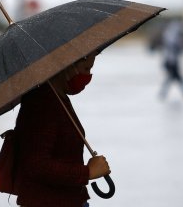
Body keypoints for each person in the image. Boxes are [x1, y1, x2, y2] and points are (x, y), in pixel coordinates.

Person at [13, 52, 111, 207]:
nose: (88, 76)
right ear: (67, 65)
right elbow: (36, 164)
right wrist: (87, 172)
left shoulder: (58, 97)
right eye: (86, 68)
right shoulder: (42, 102)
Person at [159, 20, 183, 100]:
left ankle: (163, 93)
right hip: (171, 62)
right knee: (176, 78)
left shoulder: (171, 35)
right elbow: (173, 48)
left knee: (173, 78)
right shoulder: (171, 36)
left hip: (172, 61)